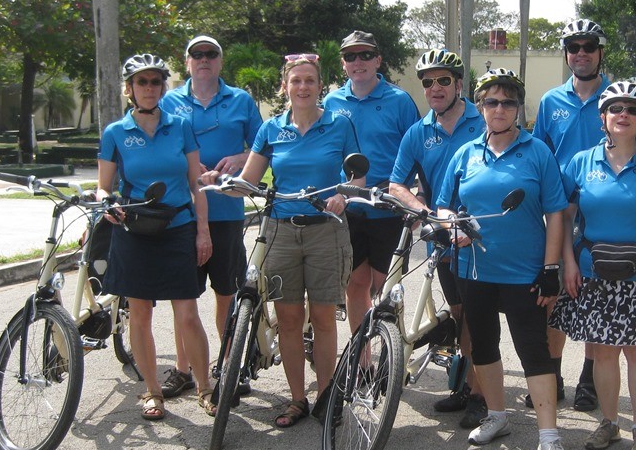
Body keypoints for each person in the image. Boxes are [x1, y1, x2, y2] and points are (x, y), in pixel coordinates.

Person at [204, 55, 360, 428]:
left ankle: (326, 396)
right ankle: (297, 399)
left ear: (320, 86)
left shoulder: (339, 125)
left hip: (326, 228)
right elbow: (248, 179)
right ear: (285, 87)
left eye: (309, 81)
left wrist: (345, 195)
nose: (302, 87)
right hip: (280, 229)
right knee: (288, 320)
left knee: (323, 318)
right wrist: (219, 184)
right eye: (296, 81)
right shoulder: (271, 129)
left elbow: (356, 177)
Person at [435, 69, 575, 450]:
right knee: (483, 346)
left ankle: (549, 437)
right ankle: (495, 415)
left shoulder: (537, 152)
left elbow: (555, 210)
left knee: (534, 351)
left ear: (519, 108)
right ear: (480, 106)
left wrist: (551, 268)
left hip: (524, 272)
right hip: (476, 271)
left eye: (508, 102)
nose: (499, 109)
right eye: (492, 101)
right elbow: (445, 203)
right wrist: (451, 224)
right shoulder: (466, 153)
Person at [548, 81, 636, 450]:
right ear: (603, 118)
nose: (623, 114)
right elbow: (564, 216)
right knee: (604, 353)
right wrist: (569, 262)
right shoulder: (582, 162)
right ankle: (609, 421)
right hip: (595, 271)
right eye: (615, 108)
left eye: (632, 109)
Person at [96, 54, 214, 421]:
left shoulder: (180, 126)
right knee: (140, 315)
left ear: (164, 87)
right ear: (130, 89)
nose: (149, 88)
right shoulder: (116, 132)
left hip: (178, 227)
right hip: (135, 229)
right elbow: (103, 187)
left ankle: (205, 387)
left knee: (188, 313)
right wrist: (105, 205)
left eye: (155, 82)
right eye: (142, 82)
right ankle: (151, 392)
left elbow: (196, 183)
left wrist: (203, 232)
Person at [158, 35, 263, 399]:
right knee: (182, 298)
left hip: (227, 212)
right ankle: (183, 370)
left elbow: (261, 147)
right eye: (196, 54)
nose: (204, 59)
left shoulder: (241, 100)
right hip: (181, 215)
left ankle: (229, 363)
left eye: (211, 54)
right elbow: (157, 145)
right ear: (187, 62)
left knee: (226, 295)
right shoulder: (169, 101)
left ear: (220, 61)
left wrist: (240, 158)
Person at [388, 50, 486, 429]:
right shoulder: (418, 132)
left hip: (480, 239)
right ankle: (464, 386)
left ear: (459, 84)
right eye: (428, 82)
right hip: (443, 241)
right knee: (461, 315)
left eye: (443, 80)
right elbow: (397, 184)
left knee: (478, 319)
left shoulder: (483, 122)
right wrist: (427, 213)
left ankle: (480, 397)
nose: (435, 88)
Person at [531, 19, 613, 412]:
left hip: (600, 214)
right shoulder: (551, 102)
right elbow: (540, 156)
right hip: (558, 212)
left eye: (588, 46)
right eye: (573, 47)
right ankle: (553, 373)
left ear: (600, 53)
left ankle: (589, 378)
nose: (581, 52)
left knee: (593, 296)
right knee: (554, 297)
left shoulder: (615, 98)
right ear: (566, 54)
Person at [323, 30, 421, 337]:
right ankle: (361, 358)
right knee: (356, 285)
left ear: (378, 60)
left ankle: (393, 357)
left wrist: (415, 201)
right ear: (343, 64)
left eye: (366, 55)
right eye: (351, 56)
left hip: (387, 209)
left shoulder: (399, 101)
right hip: (349, 209)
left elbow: (416, 153)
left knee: (388, 288)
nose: (358, 61)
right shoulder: (331, 101)